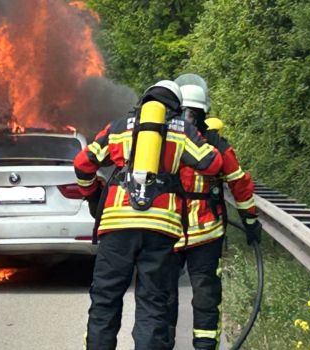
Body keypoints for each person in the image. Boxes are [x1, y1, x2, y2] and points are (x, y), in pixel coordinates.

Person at [75, 80, 224, 349]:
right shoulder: (182, 130)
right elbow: (212, 164)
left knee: (105, 300)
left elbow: (83, 164)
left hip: (117, 226)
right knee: (153, 304)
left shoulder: (118, 127)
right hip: (161, 229)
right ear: (176, 107)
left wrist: (93, 195)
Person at [168, 78, 262, 350]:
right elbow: (239, 183)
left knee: (163, 295)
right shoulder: (215, 143)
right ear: (204, 113)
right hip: (205, 233)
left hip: (167, 231)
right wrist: (250, 221)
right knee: (205, 296)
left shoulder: (163, 140)